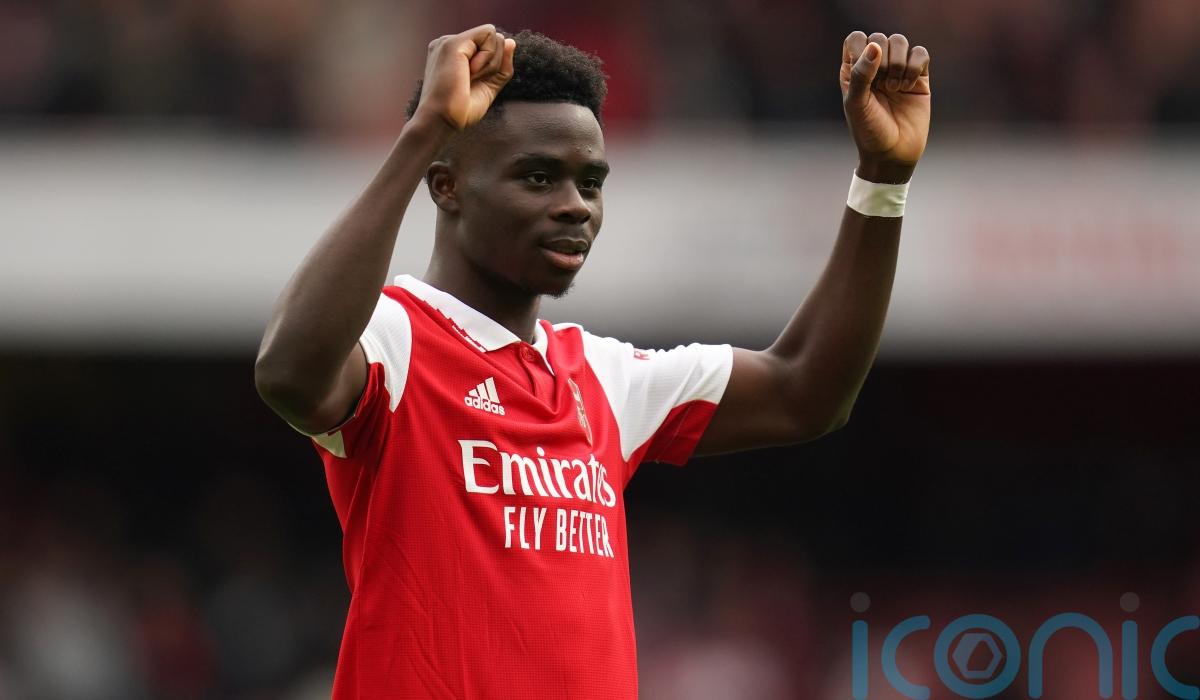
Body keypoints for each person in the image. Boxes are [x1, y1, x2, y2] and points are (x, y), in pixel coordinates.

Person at [254, 24, 930, 699]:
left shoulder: (604, 377)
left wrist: (883, 180)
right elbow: (289, 373)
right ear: (446, 186)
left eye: (591, 183)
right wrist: (426, 129)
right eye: (539, 177)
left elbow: (805, 390)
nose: (575, 206)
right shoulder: (395, 338)